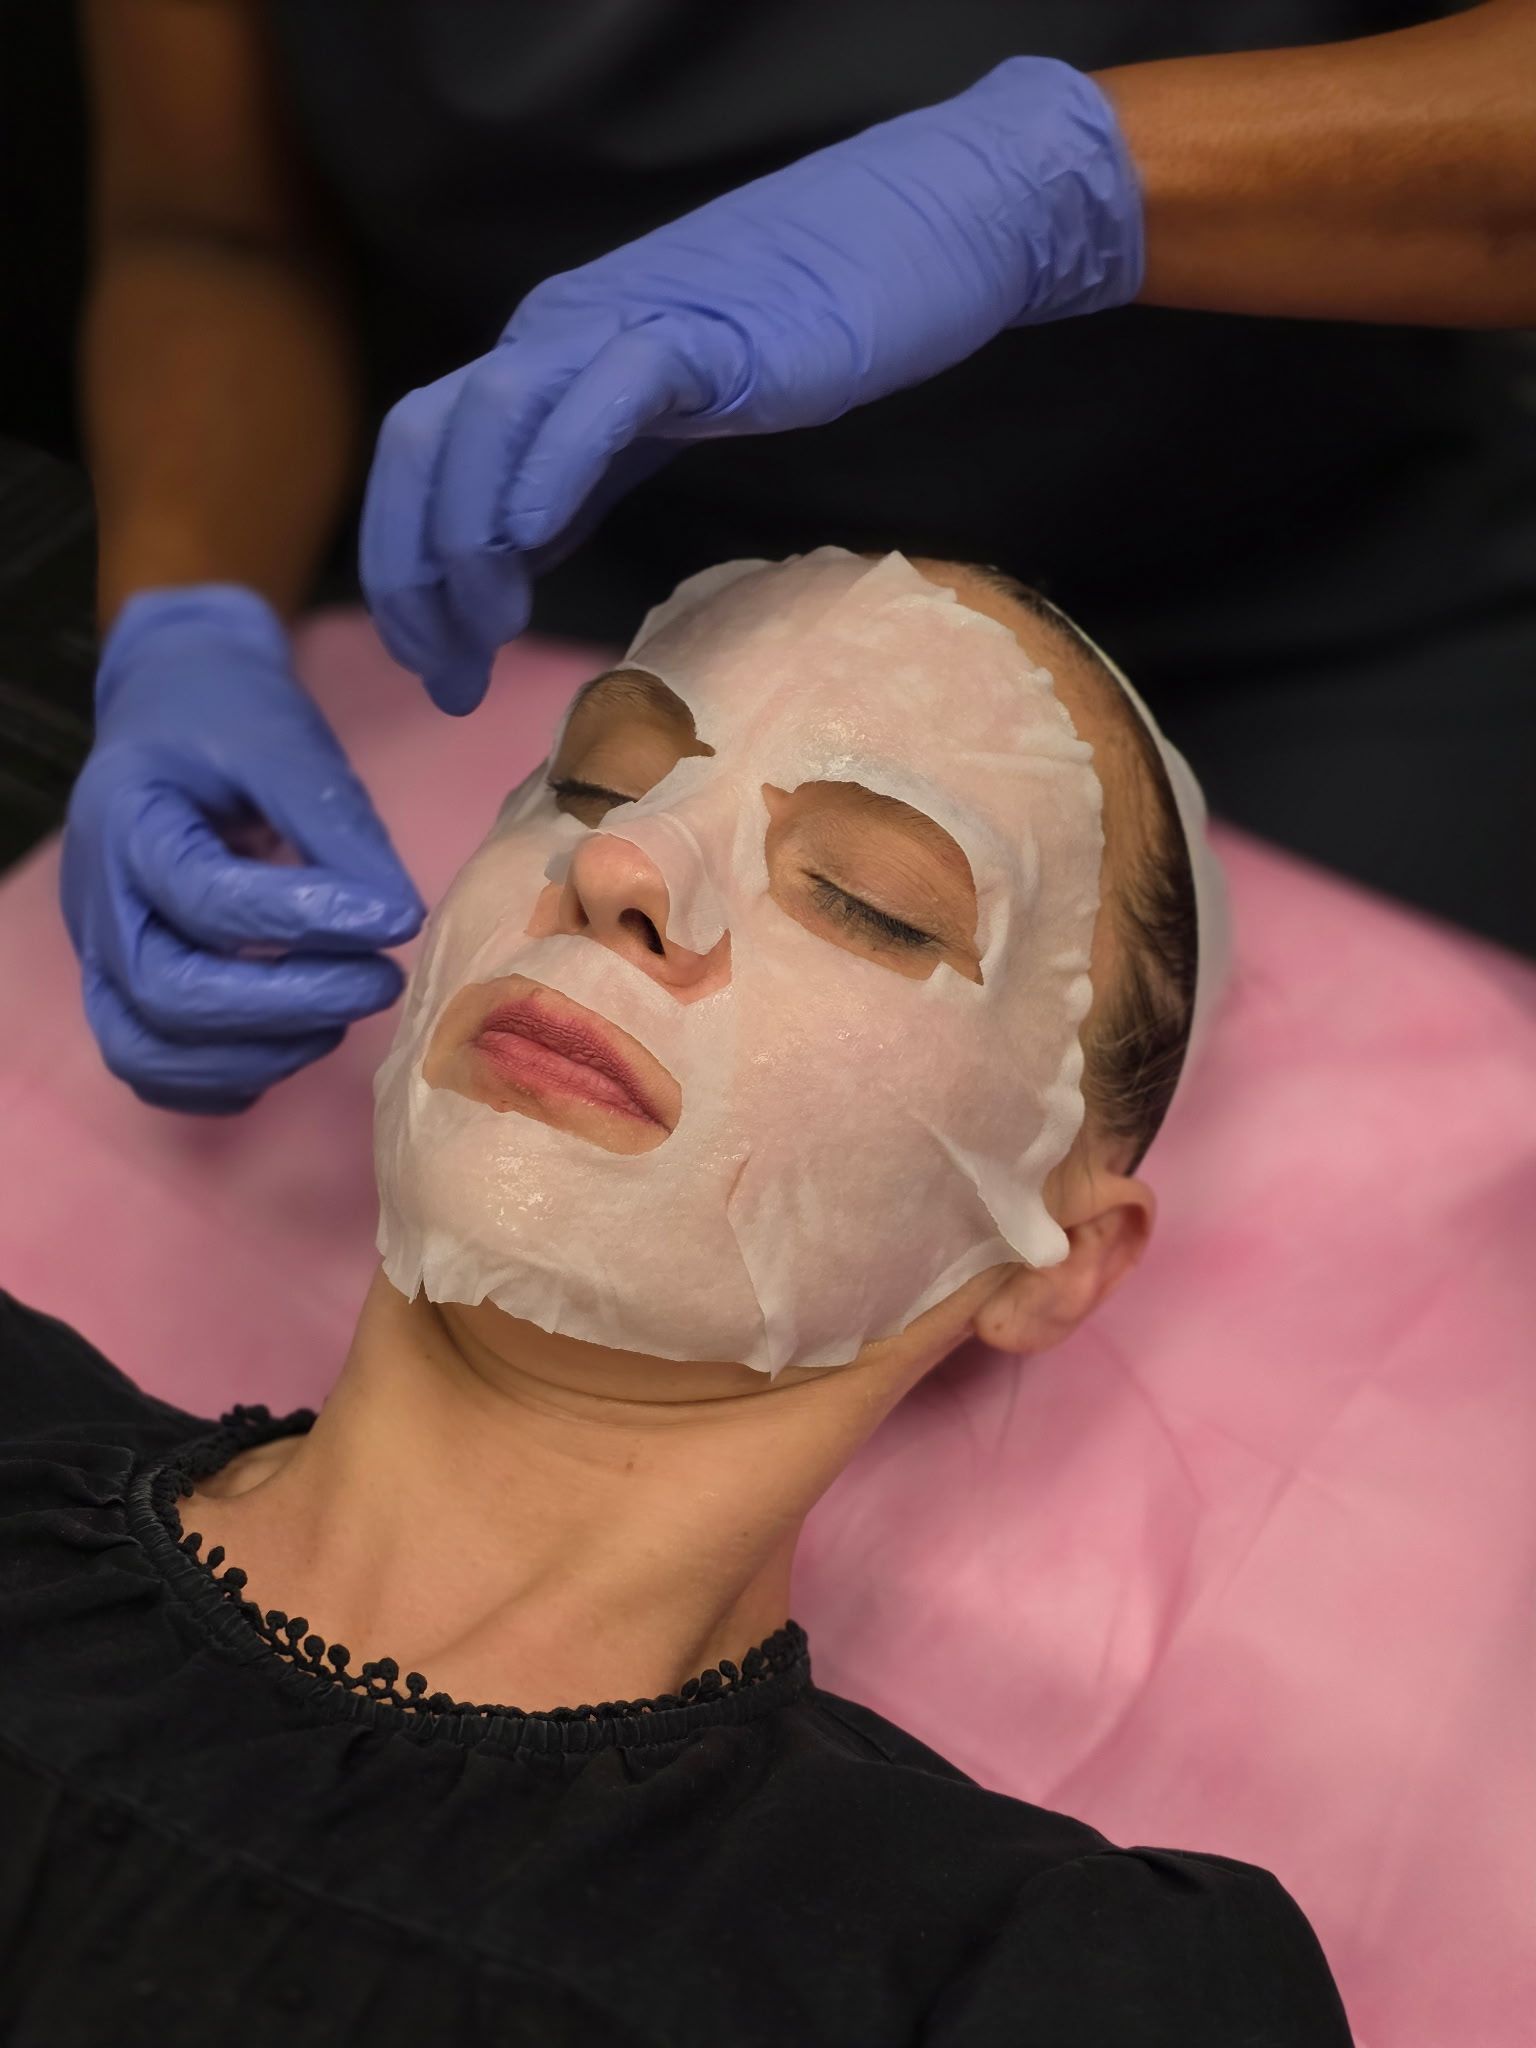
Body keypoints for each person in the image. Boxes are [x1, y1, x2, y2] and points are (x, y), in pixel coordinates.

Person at [2, 556, 1352, 2045]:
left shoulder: (1022, 1974)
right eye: (594, 788)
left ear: (1053, 1260)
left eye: (869, 901)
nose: (623, 871)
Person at [56, 1, 1536, 1122]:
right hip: (598, 593)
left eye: (872, 906)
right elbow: (214, 230)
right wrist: (188, 617)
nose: (627, 873)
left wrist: (1063, 189)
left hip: (1317, 580)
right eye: (610, 817)